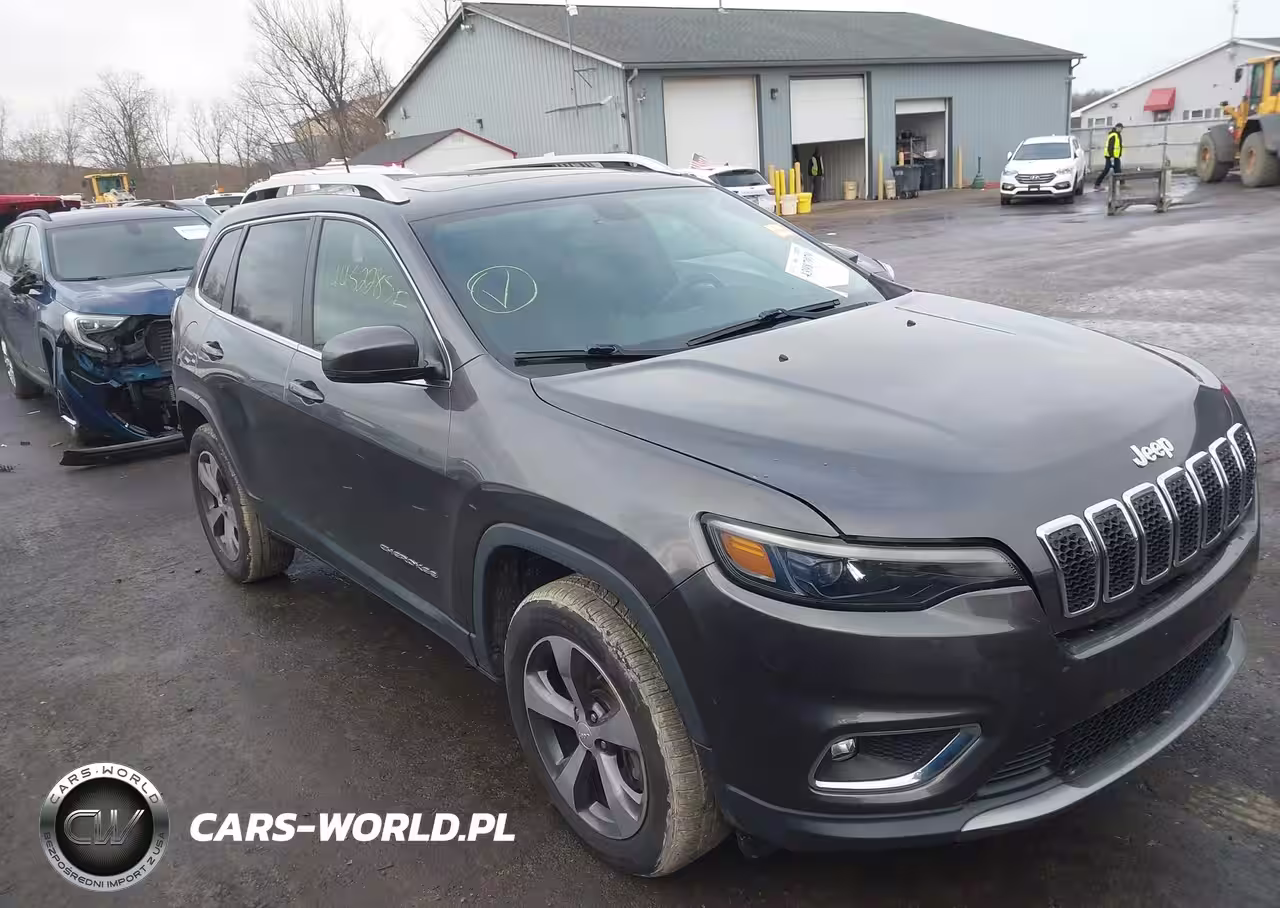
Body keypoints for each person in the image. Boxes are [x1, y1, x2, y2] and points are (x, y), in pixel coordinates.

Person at [1093, 124, 1123, 190]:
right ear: (1117, 127)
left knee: (1118, 170)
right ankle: (1097, 184)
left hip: (1115, 156)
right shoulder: (1114, 135)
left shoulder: (1116, 134)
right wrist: (1112, 157)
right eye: (1120, 128)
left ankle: (1121, 184)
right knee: (1107, 170)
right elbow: (1110, 146)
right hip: (1111, 156)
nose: (1121, 130)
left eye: (1121, 128)